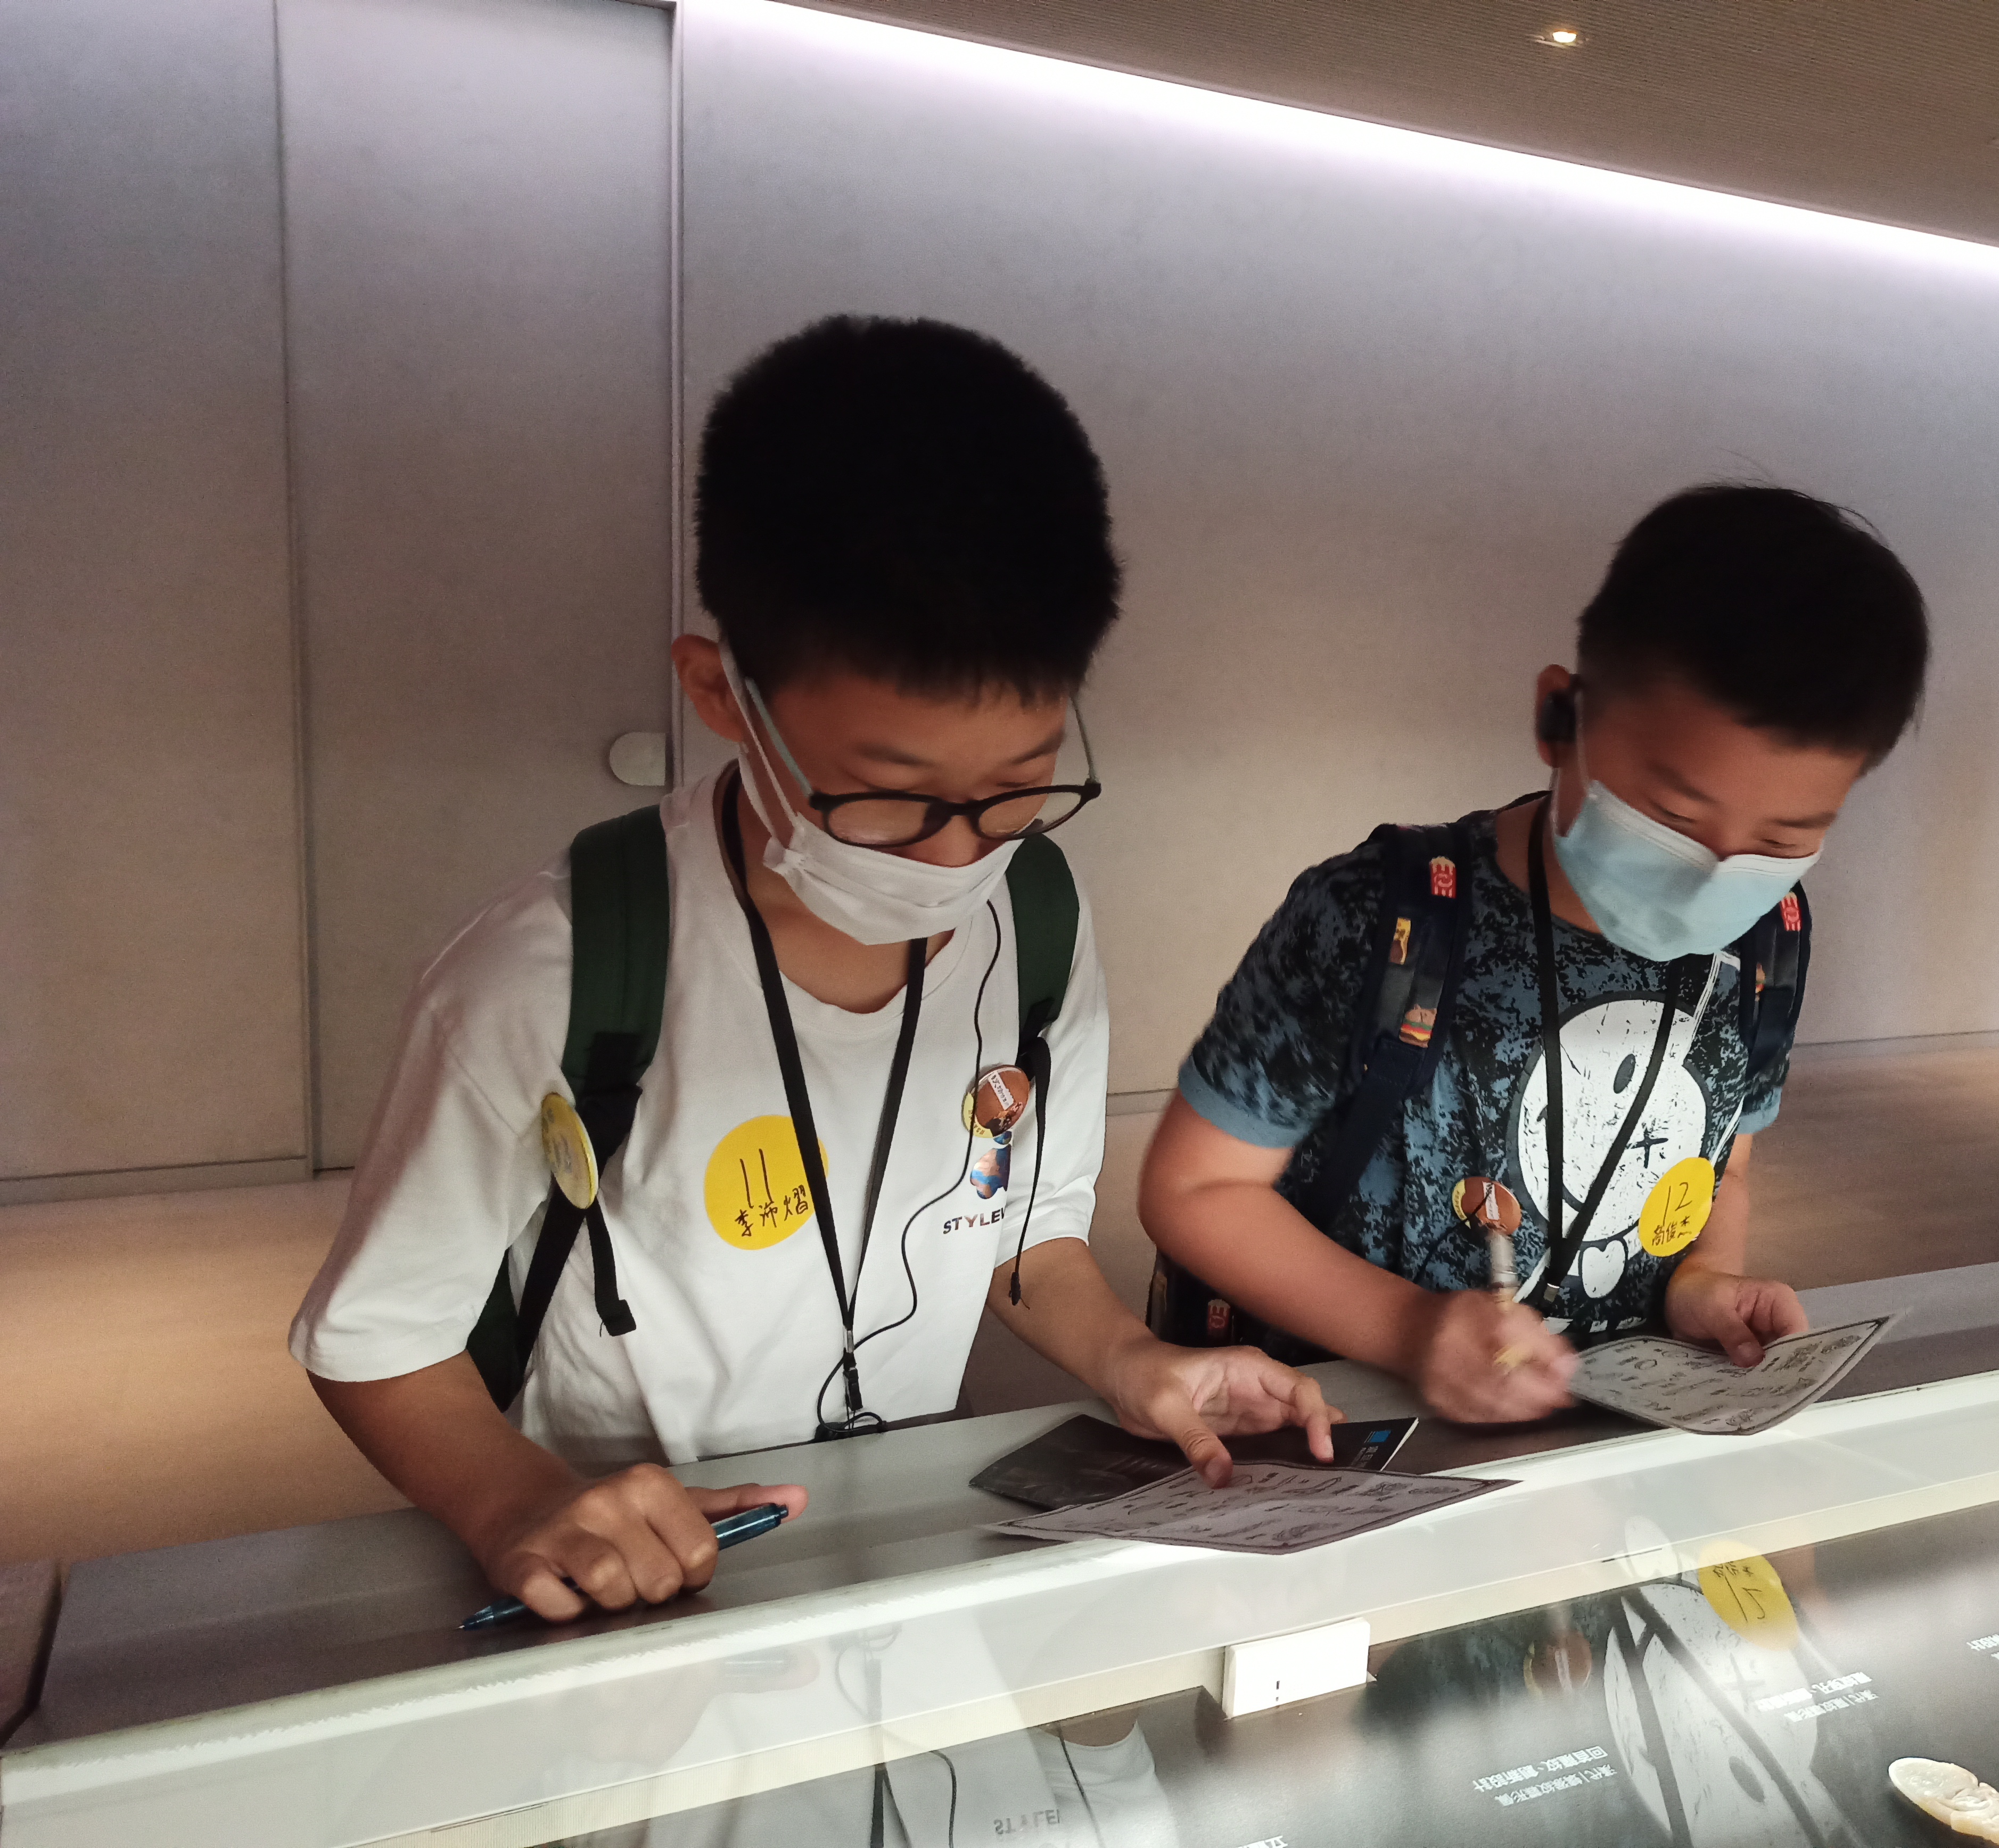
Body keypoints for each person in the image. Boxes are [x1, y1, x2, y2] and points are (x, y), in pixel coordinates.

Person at [291, 316, 1331, 1623]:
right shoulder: (547, 972)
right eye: (889, 798)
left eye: (1018, 787)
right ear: (721, 695)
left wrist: (1130, 1356)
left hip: (892, 1562)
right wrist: (513, 1501)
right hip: (632, 1586)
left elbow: (1021, 1230)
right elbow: (377, 1336)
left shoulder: (1035, 921)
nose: (958, 854)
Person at [1139, 485, 1930, 1423]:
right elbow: (1195, 1188)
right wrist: (1408, 1329)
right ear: (1560, 717)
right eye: (1675, 816)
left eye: (1782, 838)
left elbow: (1723, 1164)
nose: (1716, 875)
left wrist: (1702, 1278)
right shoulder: (1374, 916)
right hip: (1340, 1432)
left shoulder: (1770, 935)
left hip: (1591, 1440)